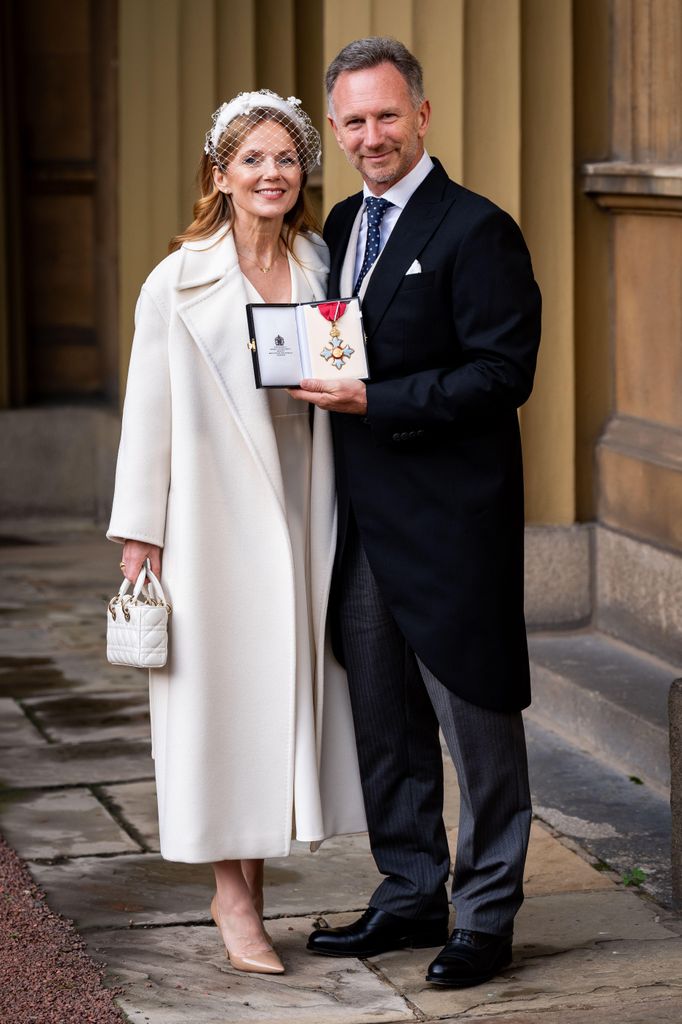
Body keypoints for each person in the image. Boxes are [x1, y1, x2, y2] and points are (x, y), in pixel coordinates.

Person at [289, 38, 542, 988]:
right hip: (362, 519)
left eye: (386, 115)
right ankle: (409, 891)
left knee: (477, 725)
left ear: (422, 116)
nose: (370, 135)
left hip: (452, 523)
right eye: (352, 121)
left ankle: (484, 917)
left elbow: (501, 374)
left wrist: (375, 404)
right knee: (384, 720)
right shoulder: (346, 220)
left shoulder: (478, 229)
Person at [107, 90, 366, 976]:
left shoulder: (319, 262)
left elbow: (340, 378)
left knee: (277, 697)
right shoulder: (174, 279)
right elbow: (148, 415)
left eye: (286, 158)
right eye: (251, 160)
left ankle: (253, 891)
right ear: (220, 175)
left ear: (304, 172)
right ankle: (232, 896)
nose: (271, 174)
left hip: (299, 511)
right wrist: (141, 535)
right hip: (208, 525)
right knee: (220, 704)